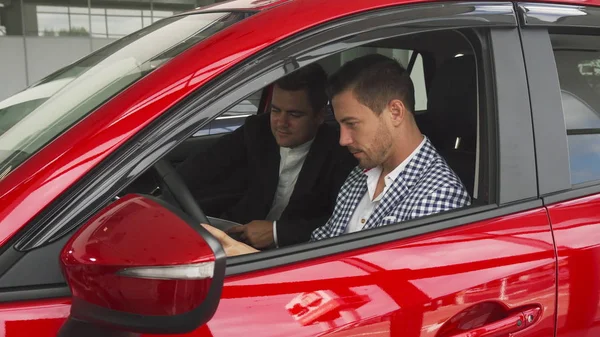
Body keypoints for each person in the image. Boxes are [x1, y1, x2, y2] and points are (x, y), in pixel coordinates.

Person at [204, 54, 471, 256]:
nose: (343, 139)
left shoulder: (438, 199)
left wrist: (245, 256)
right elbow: (318, 253)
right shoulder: (360, 176)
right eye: (340, 125)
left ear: (396, 113)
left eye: (352, 124)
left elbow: (374, 294)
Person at [178, 63, 356, 249]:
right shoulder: (257, 131)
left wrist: (277, 232)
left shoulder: (339, 152)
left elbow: (340, 223)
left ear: (319, 116)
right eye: (276, 110)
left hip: (291, 256)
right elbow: (199, 169)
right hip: (234, 241)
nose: (281, 123)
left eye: (294, 115)